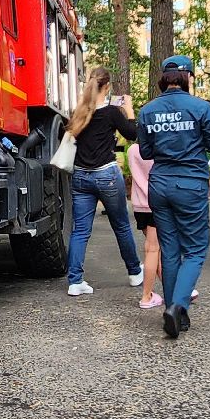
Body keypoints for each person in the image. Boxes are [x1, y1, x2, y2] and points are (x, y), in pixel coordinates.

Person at [138, 54, 210, 339]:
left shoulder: (148, 110)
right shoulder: (201, 108)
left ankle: (179, 316)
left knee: (170, 248)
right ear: (188, 77)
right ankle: (177, 305)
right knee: (197, 248)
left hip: (160, 184)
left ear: (164, 77)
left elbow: (146, 152)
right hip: (190, 184)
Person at [63, 67, 144, 296]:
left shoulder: (79, 113)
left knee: (80, 231)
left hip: (81, 176)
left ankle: (75, 281)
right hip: (107, 175)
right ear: (107, 87)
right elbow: (132, 134)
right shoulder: (111, 113)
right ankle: (134, 272)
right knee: (121, 226)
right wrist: (128, 109)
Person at [127, 141, 163, 309]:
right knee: (153, 249)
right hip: (156, 203)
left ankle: (178, 288)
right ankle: (146, 296)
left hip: (139, 205)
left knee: (156, 251)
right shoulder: (159, 148)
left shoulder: (133, 150)